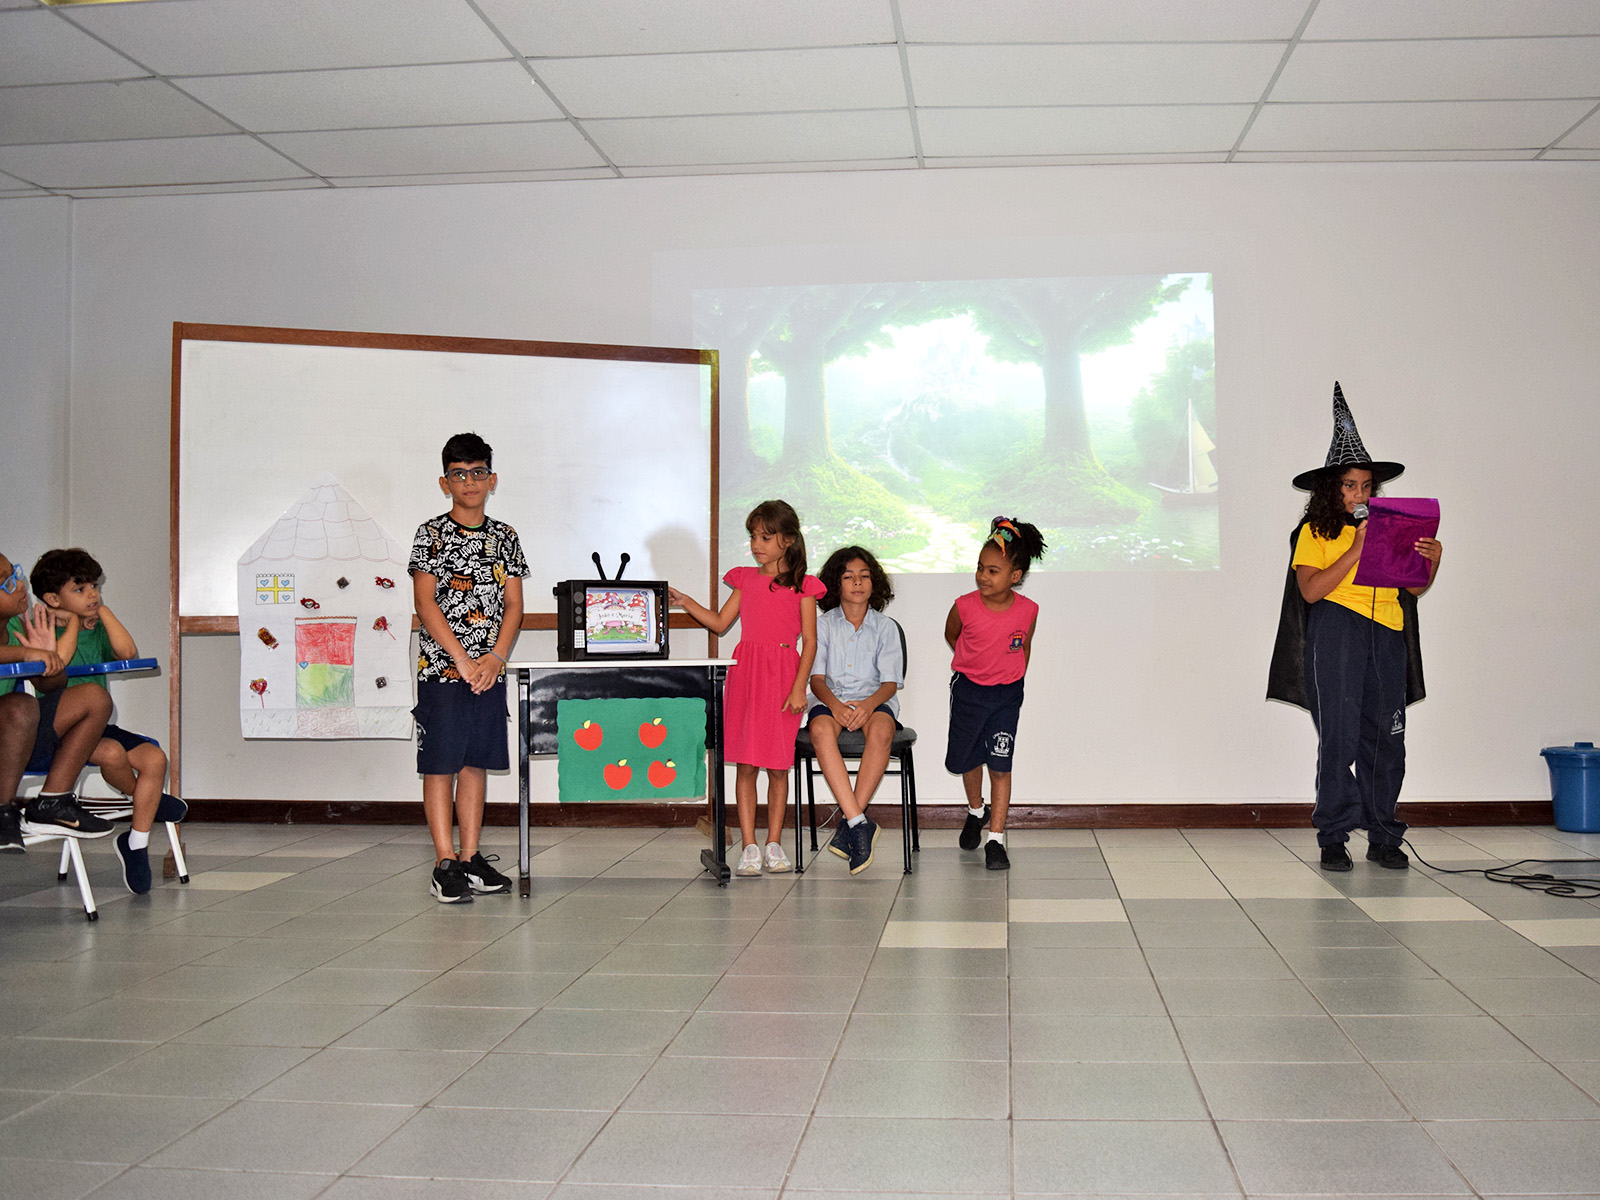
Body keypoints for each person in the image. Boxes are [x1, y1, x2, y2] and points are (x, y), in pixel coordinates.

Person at [1268, 384, 1441, 871]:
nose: (1359, 494)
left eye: (1366, 486)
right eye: (1349, 486)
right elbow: (1310, 590)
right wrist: (1357, 547)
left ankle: (1385, 835)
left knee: (1387, 738)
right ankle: (1333, 836)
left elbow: (1413, 588)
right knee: (1339, 738)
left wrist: (1431, 562)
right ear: (1332, 489)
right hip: (1337, 632)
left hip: (1386, 635)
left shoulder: (1393, 528)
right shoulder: (1315, 532)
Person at [670, 500, 822, 876]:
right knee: (747, 763)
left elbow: (810, 641)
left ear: (787, 540)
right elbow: (721, 623)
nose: (757, 544)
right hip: (747, 674)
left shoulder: (803, 586)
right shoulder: (746, 579)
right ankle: (750, 845)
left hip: (783, 676)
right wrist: (686, 601)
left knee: (778, 765)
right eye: (753, 536)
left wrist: (799, 687)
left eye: (766, 537)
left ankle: (774, 843)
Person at [25, 548, 188, 893]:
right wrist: (68, 623)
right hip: (59, 728)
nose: (93, 595)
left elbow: (127, 653)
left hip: (96, 725)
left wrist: (106, 612)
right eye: (81, 589)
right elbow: (57, 661)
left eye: (95, 587)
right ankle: (149, 800)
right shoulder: (39, 625)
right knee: (113, 754)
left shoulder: (95, 626)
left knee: (155, 759)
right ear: (52, 598)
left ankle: (137, 844)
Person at [410, 432, 526, 903]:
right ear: (445, 482)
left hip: (487, 672)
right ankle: (444, 862)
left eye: (478, 473)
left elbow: (514, 605)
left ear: (492, 479)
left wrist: (494, 659)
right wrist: (461, 658)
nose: (469, 482)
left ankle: (470, 857)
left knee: (475, 762)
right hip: (443, 669)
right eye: (459, 474)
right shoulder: (431, 534)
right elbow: (425, 600)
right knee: (441, 765)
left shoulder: (505, 537)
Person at [944, 516, 1046, 871]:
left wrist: (1010, 679)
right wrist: (977, 665)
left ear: (1014, 576)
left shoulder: (1028, 610)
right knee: (968, 759)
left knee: (1000, 765)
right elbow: (952, 635)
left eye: (992, 570)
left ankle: (996, 840)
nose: (983, 577)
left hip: (1006, 697)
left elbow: (1024, 647)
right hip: (969, 692)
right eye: (979, 569)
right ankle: (976, 810)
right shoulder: (964, 605)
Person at [0, 550, 115, 848]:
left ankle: (51, 803)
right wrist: (26, 654)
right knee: (21, 706)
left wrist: (48, 659)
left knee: (94, 697)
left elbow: (53, 686)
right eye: (6, 582)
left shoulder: (21, 625)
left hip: (13, 741)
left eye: (16, 574)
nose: (20, 585)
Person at [808, 546, 903, 875]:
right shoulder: (822, 626)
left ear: (874, 583)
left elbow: (890, 684)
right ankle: (860, 822)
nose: (858, 582)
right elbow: (816, 679)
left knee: (881, 731)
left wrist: (867, 705)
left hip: (874, 700)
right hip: (830, 698)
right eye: (849, 577)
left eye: (864, 576)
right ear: (836, 584)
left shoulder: (885, 627)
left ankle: (851, 823)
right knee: (820, 731)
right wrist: (834, 705)